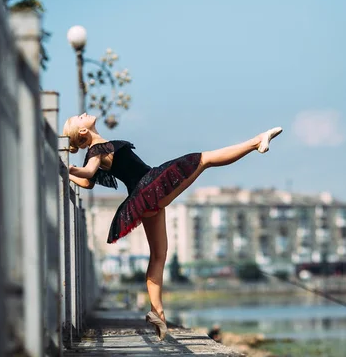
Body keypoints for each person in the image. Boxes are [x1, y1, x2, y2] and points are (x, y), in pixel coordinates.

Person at [63, 113, 283, 340]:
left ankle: (157, 313)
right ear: (82, 131)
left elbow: (87, 183)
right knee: (204, 159)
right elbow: (88, 173)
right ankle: (256, 141)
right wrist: (69, 170)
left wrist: (68, 174)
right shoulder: (97, 149)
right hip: (150, 185)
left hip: (143, 195)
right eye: (80, 117)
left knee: (158, 256)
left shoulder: (97, 150)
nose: (84, 114)